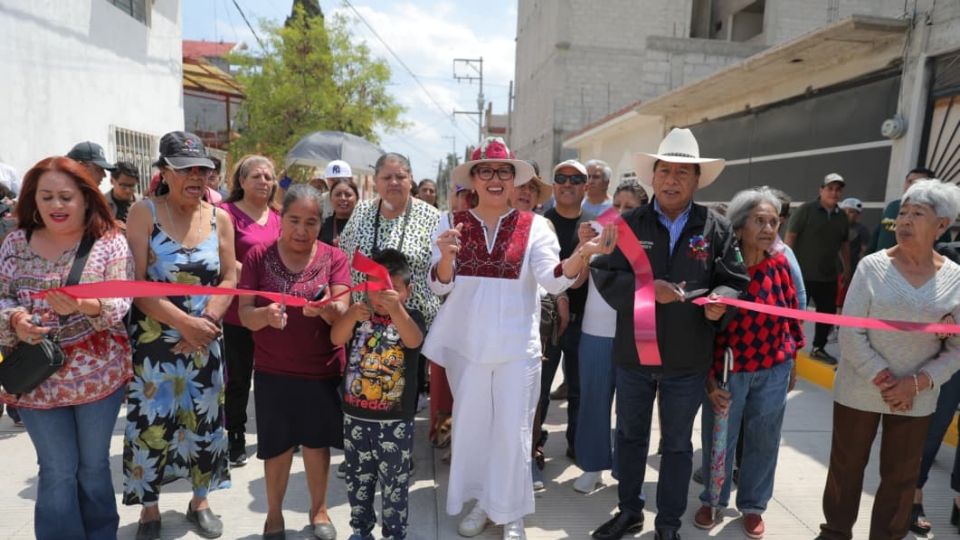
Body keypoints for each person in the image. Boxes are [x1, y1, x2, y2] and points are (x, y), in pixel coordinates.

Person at [424, 137, 615, 540]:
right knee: (475, 430)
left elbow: (552, 280)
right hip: (469, 350)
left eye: (504, 172)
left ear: (515, 180)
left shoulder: (536, 226)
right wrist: (445, 257)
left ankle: (510, 512)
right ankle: (483, 502)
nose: (496, 179)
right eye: (487, 171)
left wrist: (583, 252)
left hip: (518, 350)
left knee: (513, 432)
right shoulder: (449, 224)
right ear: (473, 179)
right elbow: (439, 288)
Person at [590, 127, 749, 540]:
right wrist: (648, 291)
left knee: (677, 446)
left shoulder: (716, 228)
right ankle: (629, 511)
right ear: (653, 176)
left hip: (687, 358)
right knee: (629, 437)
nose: (672, 179)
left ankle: (668, 524)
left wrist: (721, 301)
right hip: (634, 357)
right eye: (665, 171)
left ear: (697, 180)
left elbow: (735, 279)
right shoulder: (624, 224)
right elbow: (605, 275)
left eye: (683, 172)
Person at [816, 178, 960, 540]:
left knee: (900, 477)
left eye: (918, 214)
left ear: (942, 225)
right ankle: (835, 532)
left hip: (917, 395)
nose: (905, 221)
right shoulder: (871, 267)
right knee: (846, 469)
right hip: (859, 388)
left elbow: (956, 347)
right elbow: (850, 332)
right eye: (903, 213)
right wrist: (885, 379)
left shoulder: (956, 278)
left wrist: (915, 383)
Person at [0, 156, 133, 540]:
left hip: (97, 379)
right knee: (57, 468)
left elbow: (121, 303)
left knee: (92, 466)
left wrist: (84, 304)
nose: (56, 205)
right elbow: (3, 297)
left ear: (86, 199)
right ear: (33, 200)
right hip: (38, 378)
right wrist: (15, 321)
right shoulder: (14, 243)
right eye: (47, 197)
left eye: (65, 197)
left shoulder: (110, 243)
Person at [123, 131, 236, 540]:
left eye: (202, 169)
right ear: (164, 173)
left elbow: (231, 274)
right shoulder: (144, 212)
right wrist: (184, 324)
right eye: (185, 169)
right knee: (153, 424)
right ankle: (149, 509)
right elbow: (135, 283)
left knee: (204, 422)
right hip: (156, 343)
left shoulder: (219, 217)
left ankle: (200, 500)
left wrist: (206, 322)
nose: (196, 176)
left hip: (206, 341)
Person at [237, 184, 349, 540]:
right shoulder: (257, 256)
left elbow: (342, 314)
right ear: (280, 219)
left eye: (312, 222)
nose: (302, 230)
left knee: (317, 445)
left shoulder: (335, 257)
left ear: (321, 223)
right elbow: (244, 314)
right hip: (273, 368)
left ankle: (319, 510)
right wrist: (266, 315)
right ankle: (273, 516)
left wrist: (326, 309)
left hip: (321, 368)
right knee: (277, 446)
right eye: (295, 220)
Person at [693, 187, 804, 538]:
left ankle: (754, 506)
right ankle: (713, 499)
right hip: (728, 371)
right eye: (760, 221)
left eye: (774, 222)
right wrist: (709, 382)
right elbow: (704, 329)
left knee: (764, 438)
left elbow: (792, 317)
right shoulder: (723, 270)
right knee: (719, 438)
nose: (769, 228)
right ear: (739, 227)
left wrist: (793, 363)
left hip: (773, 368)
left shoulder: (781, 265)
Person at [331, 248, 426, 540]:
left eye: (392, 289)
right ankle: (360, 530)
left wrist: (397, 310)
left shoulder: (412, 316)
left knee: (394, 484)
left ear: (407, 291)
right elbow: (336, 337)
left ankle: (394, 533)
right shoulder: (359, 315)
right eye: (376, 288)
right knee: (358, 481)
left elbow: (414, 340)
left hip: (395, 422)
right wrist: (349, 315)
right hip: (355, 417)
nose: (382, 296)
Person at [572, 179, 648, 495]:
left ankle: (626, 472)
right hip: (596, 332)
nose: (621, 213)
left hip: (638, 332)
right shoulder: (595, 234)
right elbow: (575, 283)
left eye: (630, 207)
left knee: (633, 409)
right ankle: (592, 466)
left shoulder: (651, 240)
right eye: (616, 206)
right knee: (593, 400)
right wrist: (583, 249)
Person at [219, 154, 282, 466]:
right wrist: (255, 280)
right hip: (236, 311)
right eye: (256, 176)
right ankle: (234, 434)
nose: (263, 182)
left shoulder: (279, 218)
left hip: (271, 309)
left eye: (268, 177)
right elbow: (223, 257)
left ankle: (277, 433)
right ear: (241, 181)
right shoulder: (225, 214)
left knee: (272, 375)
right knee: (238, 377)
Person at [540, 158, 592, 462]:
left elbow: (582, 279)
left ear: (586, 186)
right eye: (561, 178)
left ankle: (576, 443)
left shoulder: (595, 226)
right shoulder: (539, 224)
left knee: (579, 392)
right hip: (545, 323)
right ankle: (534, 444)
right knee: (540, 391)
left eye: (576, 179)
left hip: (582, 322)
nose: (568, 184)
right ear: (554, 185)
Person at [785, 173, 851, 365]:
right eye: (830, 188)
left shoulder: (842, 217)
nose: (834, 192)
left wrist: (847, 269)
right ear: (821, 190)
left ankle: (818, 348)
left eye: (838, 189)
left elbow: (845, 245)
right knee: (796, 313)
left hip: (828, 276)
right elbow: (790, 238)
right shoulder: (806, 210)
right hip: (801, 275)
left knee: (827, 313)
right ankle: (788, 347)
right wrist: (786, 267)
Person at [870, 167, 936, 253]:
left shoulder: (936, 212)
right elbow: (877, 236)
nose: (912, 186)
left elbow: (942, 249)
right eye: (909, 181)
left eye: (918, 183)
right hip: (879, 263)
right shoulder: (892, 207)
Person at [319, 177, 359, 247]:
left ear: (357, 198)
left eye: (348, 195)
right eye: (338, 194)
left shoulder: (365, 224)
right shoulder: (323, 226)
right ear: (331, 199)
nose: (343, 198)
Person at [840, 197, 870, 272]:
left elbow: (864, 251)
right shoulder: (833, 227)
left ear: (857, 214)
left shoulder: (862, 229)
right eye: (844, 211)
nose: (846, 214)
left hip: (853, 270)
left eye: (851, 211)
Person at [106, 161, 141, 225]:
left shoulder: (143, 203)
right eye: (123, 185)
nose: (128, 190)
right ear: (112, 181)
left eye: (132, 186)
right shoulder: (101, 203)